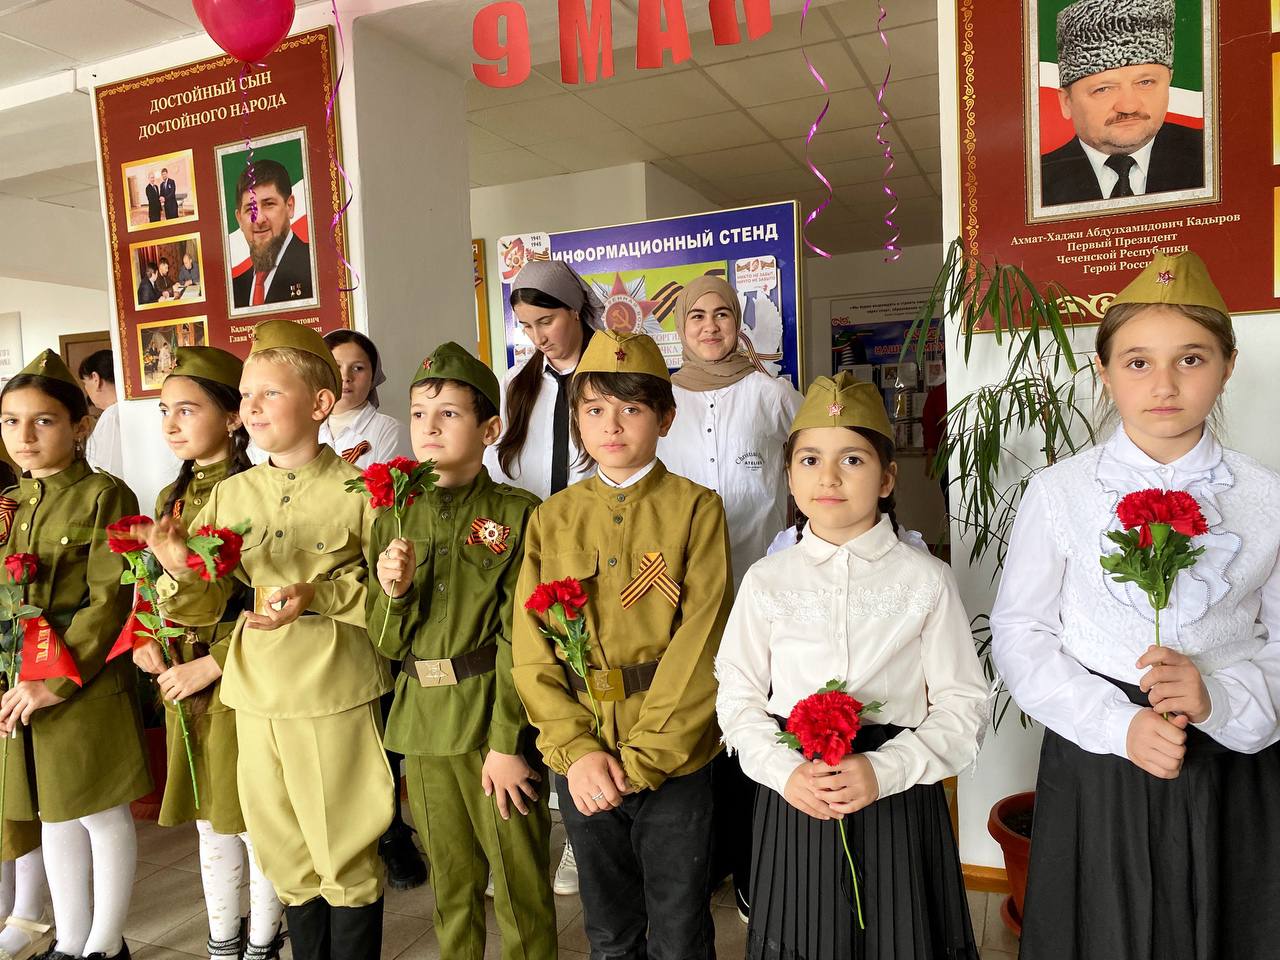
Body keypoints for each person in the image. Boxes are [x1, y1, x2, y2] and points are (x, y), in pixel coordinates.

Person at [990, 250, 1280, 959]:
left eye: (1191, 359)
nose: (1164, 384)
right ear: (1104, 371)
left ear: (1229, 365)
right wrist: (1116, 724)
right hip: (1099, 757)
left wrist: (1218, 698)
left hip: (1228, 757)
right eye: (1138, 362)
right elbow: (1022, 630)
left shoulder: (1267, 495)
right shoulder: (1059, 492)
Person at [715, 372, 986, 960]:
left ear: (887, 478)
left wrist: (885, 770)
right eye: (810, 459)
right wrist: (782, 770)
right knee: (802, 936)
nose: (829, 477)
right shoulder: (766, 581)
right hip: (797, 789)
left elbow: (963, 707)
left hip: (897, 791)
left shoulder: (926, 579)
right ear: (789, 476)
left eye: (853, 459)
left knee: (902, 937)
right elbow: (737, 696)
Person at [145, 320, 393, 960]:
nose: (251, 407)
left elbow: (394, 603)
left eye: (270, 394)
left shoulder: (362, 492)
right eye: (246, 395)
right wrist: (180, 568)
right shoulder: (232, 494)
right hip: (253, 694)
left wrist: (321, 595)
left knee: (343, 849)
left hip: (332, 692)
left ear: (320, 403)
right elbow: (206, 602)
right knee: (283, 851)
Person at [513, 329, 733, 959]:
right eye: (594, 408)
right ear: (577, 418)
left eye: (631, 408)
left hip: (674, 757)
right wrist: (577, 750)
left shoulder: (696, 509)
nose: (611, 425)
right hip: (583, 756)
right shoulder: (551, 518)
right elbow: (531, 648)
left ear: (665, 418)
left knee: (680, 928)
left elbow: (702, 642)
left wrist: (644, 759)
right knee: (608, 931)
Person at [367, 342, 556, 960]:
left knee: (520, 886)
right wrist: (394, 593)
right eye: (419, 413)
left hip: (492, 722)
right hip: (422, 725)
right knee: (451, 887)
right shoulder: (393, 516)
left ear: (489, 429)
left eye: (449, 413)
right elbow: (385, 641)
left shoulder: (518, 515)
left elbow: (522, 638)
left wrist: (507, 743)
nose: (429, 427)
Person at [656, 274, 801, 922]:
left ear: (737, 323)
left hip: (759, 592)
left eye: (721, 314)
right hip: (682, 599)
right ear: (682, 327)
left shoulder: (772, 394)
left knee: (756, 730)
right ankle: (709, 859)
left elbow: (814, 461)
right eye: (697, 316)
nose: (710, 326)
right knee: (698, 728)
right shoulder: (662, 402)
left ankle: (754, 866)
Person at [0, 349, 151, 960]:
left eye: (44, 421)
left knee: (101, 813)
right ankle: (70, 940)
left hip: (82, 678)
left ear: (79, 425)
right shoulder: (11, 502)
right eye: (11, 421)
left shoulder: (104, 495)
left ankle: (106, 945)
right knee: (55, 812)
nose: (25, 436)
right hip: (22, 676)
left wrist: (53, 682)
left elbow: (108, 600)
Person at [140, 346, 285, 960]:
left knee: (250, 816)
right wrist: (146, 638)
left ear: (231, 418)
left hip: (238, 673)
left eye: (187, 409)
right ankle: (224, 937)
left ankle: (265, 938)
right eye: (164, 411)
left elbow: (269, 600)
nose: (171, 424)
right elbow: (149, 585)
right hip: (181, 675)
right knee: (209, 818)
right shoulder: (169, 498)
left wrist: (215, 662)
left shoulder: (258, 492)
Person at [484, 258, 602, 895]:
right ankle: (550, 828)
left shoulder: (610, 374)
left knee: (590, 687)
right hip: (531, 557)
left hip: (597, 556)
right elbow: (497, 470)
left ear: (575, 310)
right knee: (541, 683)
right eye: (527, 326)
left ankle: (588, 835)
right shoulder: (517, 386)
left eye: (547, 321)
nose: (538, 337)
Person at [1041, 0, 1203, 207]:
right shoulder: (1034, 183)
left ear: (1168, 83)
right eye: (1103, 89)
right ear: (1066, 102)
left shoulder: (1216, 154)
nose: (1128, 107)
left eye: (1145, 83)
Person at [230, 160, 313, 309]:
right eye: (250, 209)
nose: (259, 219)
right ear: (239, 219)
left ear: (290, 206)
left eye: (268, 204)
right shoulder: (234, 290)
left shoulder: (315, 268)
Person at [79, 350, 124, 480]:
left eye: (85, 383)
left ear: (96, 379)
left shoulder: (112, 416)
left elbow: (109, 473)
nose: (86, 389)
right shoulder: (122, 411)